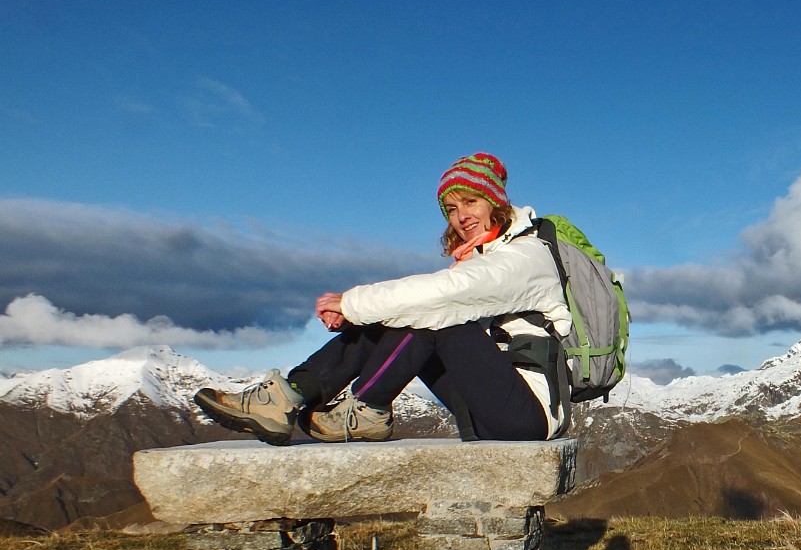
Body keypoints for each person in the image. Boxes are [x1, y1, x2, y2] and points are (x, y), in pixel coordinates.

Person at [195, 153, 572, 444]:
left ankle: (369, 409)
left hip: (529, 416)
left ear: (496, 203)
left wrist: (351, 304)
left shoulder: (527, 256)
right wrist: (361, 316)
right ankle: (287, 396)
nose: (461, 217)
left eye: (471, 202)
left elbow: (445, 295)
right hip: (481, 409)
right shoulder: (480, 258)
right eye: (452, 209)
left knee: (432, 316)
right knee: (403, 314)